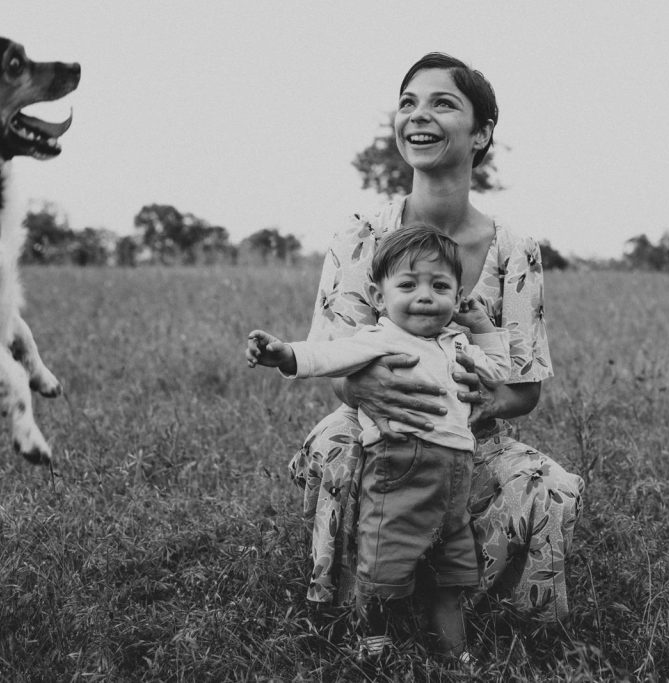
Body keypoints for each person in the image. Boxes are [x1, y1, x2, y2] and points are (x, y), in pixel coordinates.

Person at [288, 52, 584, 628]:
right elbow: (336, 370)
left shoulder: (515, 252)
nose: (418, 116)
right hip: (372, 425)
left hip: (471, 436)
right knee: (337, 451)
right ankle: (360, 609)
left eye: (442, 103)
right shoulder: (359, 236)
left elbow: (524, 393)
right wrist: (368, 387)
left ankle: (494, 618)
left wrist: (480, 399)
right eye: (407, 103)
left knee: (550, 485)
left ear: (481, 134)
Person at [247, 224, 510, 661]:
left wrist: (480, 323)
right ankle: (375, 642)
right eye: (408, 285)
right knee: (385, 558)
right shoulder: (381, 338)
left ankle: (455, 654)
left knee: (453, 571)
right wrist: (284, 355)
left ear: (457, 296)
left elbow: (500, 372)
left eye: (440, 286)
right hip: (399, 463)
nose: (425, 295)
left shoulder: (457, 341)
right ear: (378, 294)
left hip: (455, 476)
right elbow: (329, 357)